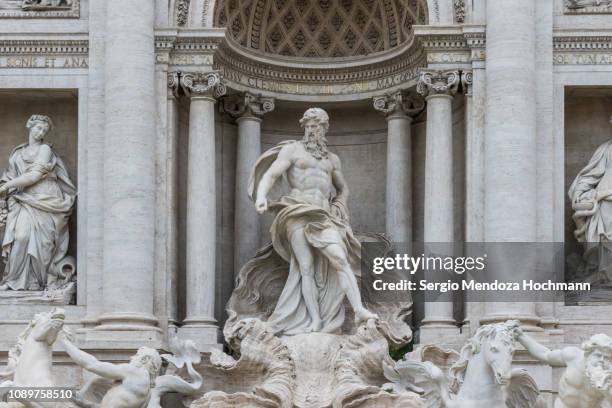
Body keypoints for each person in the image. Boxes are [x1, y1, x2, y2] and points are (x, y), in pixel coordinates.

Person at [249, 107, 377, 335]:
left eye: (316, 125)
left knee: (340, 259)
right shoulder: (292, 150)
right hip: (296, 210)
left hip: (324, 215)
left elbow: (342, 188)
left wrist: (340, 204)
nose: (311, 130)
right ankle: (315, 320)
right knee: (305, 267)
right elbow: (271, 174)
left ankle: (359, 310)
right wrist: (261, 196)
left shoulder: (332, 159)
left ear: (324, 128)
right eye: (307, 125)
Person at [0, 114, 76, 291]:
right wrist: (5, 186)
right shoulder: (17, 153)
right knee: (20, 237)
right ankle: (14, 280)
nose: (41, 132)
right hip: (23, 199)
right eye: (38, 128)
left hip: (45, 198)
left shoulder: (45, 150)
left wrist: (7, 186)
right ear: (29, 125)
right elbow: (9, 176)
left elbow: (34, 176)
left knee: (43, 243)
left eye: (44, 130)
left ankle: (36, 283)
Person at [514, 325, 612, 408]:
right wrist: (521, 336)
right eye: (598, 355)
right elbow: (545, 354)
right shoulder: (573, 356)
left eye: (606, 357)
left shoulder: (608, 375)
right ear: (589, 353)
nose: (602, 360)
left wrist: (606, 391)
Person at [61, 334, 162, 408]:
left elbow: (92, 365)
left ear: (144, 359)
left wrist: (65, 343)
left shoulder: (135, 373)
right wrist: (85, 403)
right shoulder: (146, 391)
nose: (132, 357)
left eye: (136, 355)